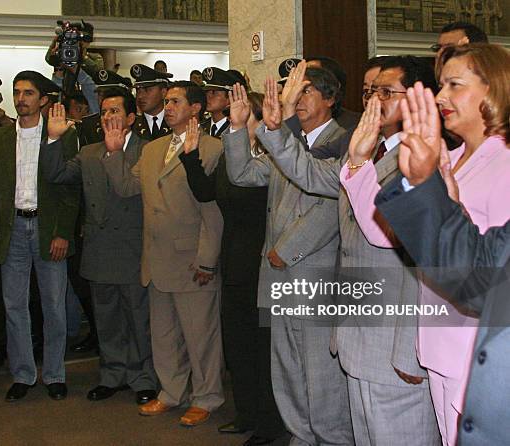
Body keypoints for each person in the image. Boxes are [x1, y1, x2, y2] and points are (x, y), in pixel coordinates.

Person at [256, 58, 441, 445]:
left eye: (386, 92)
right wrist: (275, 130)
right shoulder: (365, 152)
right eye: (370, 91)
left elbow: (423, 270)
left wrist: (411, 352)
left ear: (419, 99)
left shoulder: (425, 160)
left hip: (395, 341)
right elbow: (309, 173)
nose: (374, 99)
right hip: (358, 334)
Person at [342, 44, 510, 445]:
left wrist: (452, 211)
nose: (439, 97)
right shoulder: (450, 156)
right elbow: (384, 230)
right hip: (440, 346)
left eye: (455, 85)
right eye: (440, 85)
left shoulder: (503, 163)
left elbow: (493, 273)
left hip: (479, 355)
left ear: (495, 89)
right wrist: (358, 165)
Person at [226, 68, 352, 446]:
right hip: (278, 275)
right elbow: (243, 174)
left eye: (307, 90)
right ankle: (300, 436)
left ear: (330, 100)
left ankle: (329, 439)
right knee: (288, 368)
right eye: (292, 91)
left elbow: (332, 207)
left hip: (315, 274)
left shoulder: (345, 142)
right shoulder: (287, 141)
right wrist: (237, 129)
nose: (296, 97)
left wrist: (286, 251)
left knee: (321, 373)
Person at [102, 81, 224, 427]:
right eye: (166, 101)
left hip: (191, 259)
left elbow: (213, 212)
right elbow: (128, 187)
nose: (167, 106)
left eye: (175, 101)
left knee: (201, 337)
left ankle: (207, 397)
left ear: (196, 109)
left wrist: (207, 259)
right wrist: (113, 153)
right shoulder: (153, 149)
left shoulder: (213, 148)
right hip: (156, 260)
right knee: (165, 336)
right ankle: (172, 393)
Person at [179, 91, 285, 445]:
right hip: (234, 260)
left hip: (263, 263)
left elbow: (252, 196)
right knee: (238, 344)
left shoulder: (275, 160)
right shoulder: (231, 155)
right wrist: (191, 158)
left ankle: (271, 425)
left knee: (262, 347)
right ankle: (247, 414)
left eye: (247, 116)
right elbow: (208, 193)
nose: (241, 122)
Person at [40, 87, 158, 405]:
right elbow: (56, 174)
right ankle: (111, 375)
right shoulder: (90, 152)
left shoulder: (148, 151)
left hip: (133, 248)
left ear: (131, 118)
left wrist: (116, 151)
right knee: (106, 319)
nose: (108, 116)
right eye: (104, 111)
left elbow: (129, 191)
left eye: (115, 111)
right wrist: (53, 140)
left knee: (138, 318)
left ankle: (143, 377)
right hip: (99, 248)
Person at [0, 70, 80, 402]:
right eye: (17, 92)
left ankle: (54, 374)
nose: (21, 99)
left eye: (28, 93)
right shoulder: (2, 138)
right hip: (13, 229)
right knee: (14, 305)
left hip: (48, 228)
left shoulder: (61, 133)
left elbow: (70, 190)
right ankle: (23, 373)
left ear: (43, 100)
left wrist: (62, 232)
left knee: (54, 306)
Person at [130, 64, 172, 141]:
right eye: (138, 91)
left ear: (163, 93)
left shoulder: (175, 122)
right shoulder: (131, 125)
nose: (140, 96)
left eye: (147, 90)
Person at [200, 67, 239, 138]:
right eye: (206, 92)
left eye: (213, 92)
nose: (208, 96)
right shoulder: (201, 127)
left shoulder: (235, 129)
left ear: (230, 97)